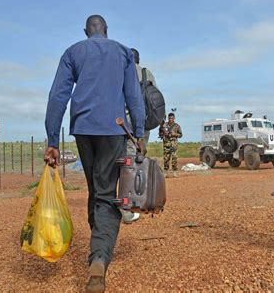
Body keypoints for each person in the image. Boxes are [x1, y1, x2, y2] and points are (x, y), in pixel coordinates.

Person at [44, 15, 146, 293]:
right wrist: (139, 132)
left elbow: (58, 96)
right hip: (113, 129)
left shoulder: (73, 52)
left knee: (95, 189)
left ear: (86, 32)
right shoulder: (123, 52)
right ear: (106, 31)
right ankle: (99, 257)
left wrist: (53, 138)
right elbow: (133, 95)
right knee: (105, 192)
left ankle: (98, 244)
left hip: (83, 129)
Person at [121, 48, 158, 224]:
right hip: (144, 125)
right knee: (138, 161)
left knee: (127, 163)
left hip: (127, 125)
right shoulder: (147, 73)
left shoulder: (123, 70)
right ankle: (139, 199)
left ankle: (126, 208)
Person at [159, 112, 183, 177]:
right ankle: (165, 172)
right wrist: (163, 133)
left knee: (174, 158)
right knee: (166, 159)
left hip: (174, 145)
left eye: (172, 118)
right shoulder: (164, 125)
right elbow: (160, 134)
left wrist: (175, 134)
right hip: (166, 145)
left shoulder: (177, 126)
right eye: (169, 118)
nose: (170, 119)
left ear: (174, 118)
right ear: (168, 118)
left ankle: (174, 173)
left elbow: (181, 135)